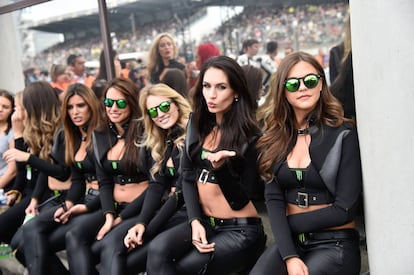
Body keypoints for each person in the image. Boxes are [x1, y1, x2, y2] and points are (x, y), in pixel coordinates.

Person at [146, 55, 266, 275]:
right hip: (206, 222)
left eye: (221, 87)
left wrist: (220, 170)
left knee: (183, 268)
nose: (212, 94)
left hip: (240, 228)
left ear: (236, 91)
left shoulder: (252, 136)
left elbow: (240, 200)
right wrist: (195, 221)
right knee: (156, 249)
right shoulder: (197, 124)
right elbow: (187, 179)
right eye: (207, 86)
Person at [251, 51, 362, 275]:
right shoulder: (273, 138)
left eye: (310, 81)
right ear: (283, 91)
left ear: (321, 84)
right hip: (292, 242)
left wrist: (286, 224)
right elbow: (273, 199)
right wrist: (289, 254)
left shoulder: (344, 133)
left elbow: (344, 209)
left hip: (335, 243)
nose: (303, 88)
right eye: (293, 84)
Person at [62, 77, 163, 275]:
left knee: (107, 247)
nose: (113, 108)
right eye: (108, 102)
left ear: (132, 103)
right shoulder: (100, 135)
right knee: (74, 236)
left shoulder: (146, 132)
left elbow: (156, 186)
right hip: (111, 207)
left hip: (140, 209)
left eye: (120, 103)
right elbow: (105, 182)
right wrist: (109, 216)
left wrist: (119, 219)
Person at [94, 83, 192, 275]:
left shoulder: (191, 135)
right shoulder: (162, 139)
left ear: (176, 104)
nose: (160, 114)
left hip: (191, 215)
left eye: (163, 107)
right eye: (153, 112)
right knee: (117, 256)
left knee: (137, 255)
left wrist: (146, 229)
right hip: (170, 211)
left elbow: (179, 193)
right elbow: (156, 185)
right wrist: (142, 223)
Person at [20, 83, 103, 275]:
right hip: (83, 197)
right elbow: (77, 180)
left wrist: (79, 206)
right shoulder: (73, 137)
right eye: (70, 107)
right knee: (31, 232)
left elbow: (108, 184)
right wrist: (68, 204)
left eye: (80, 106)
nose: (75, 112)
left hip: (102, 203)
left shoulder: (102, 134)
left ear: (91, 105)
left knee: (70, 237)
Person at [0, 82, 68, 247]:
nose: (16, 115)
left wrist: (20, 142)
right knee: (16, 239)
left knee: (19, 239)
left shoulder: (60, 132)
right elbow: (25, 170)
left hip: (56, 195)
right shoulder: (33, 130)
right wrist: (18, 135)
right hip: (36, 192)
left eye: (17, 108)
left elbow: (57, 171)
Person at [0, 89, 16, 190]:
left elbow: (12, 170)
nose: (0, 109)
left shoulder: (12, 131)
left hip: (5, 184)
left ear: (11, 110)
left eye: (5, 107)